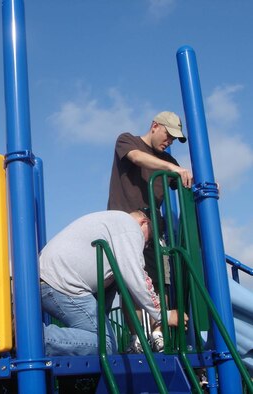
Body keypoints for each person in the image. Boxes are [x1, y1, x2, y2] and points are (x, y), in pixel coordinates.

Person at [40, 210, 186, 356]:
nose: (145, 246)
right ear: (144, 222)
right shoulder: (130, 227)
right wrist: (164, 315)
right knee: (107, 344)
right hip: (61, 284)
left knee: (114, 278)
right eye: (147, 240)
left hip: (53, 280)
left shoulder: (112, 224)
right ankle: (34, 338)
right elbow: (137, 275)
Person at [107, 111, 193, 353]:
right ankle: (137, 335)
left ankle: (157, 332)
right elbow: (137, 158)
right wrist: (170, 168)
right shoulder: (127, 140)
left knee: (158, 283)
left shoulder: (169, 161)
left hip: (153, 231)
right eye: (168, 135)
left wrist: (206, 182)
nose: (170, 142)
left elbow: (188, 181)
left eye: (175, 139)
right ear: (155, 126)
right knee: (129, 283)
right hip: (125, 226)